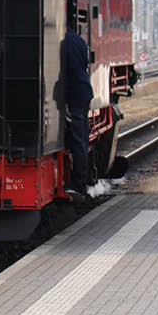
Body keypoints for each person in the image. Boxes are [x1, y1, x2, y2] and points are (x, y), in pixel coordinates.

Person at [62, 25, 94, 201]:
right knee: (81, 140)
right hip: (83, 91)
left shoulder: (61, 42)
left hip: (74, 94)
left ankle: (79, 186)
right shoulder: (78, 40)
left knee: (78, 140)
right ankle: (80, 184)